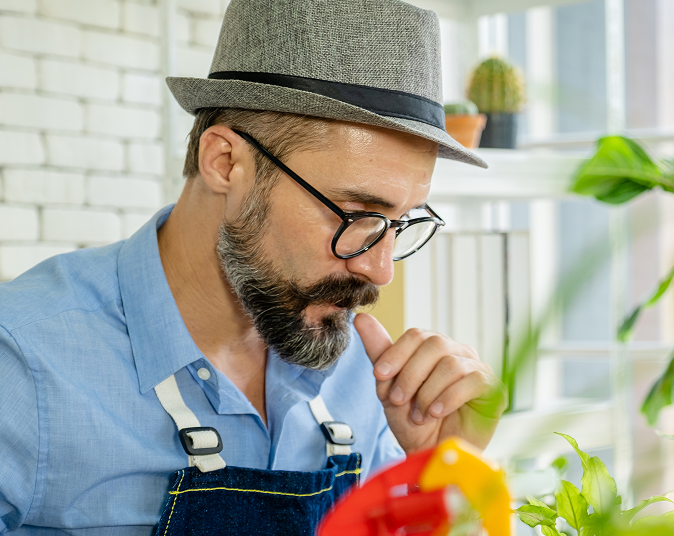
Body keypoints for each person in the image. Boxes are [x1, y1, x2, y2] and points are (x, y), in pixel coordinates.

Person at [0, 0, 505, 533]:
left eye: (400, 222)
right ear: (225, 162)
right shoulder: (21, 364)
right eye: (357, 214)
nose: (381, 273)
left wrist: (446, 473)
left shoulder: (366, 372)